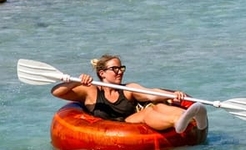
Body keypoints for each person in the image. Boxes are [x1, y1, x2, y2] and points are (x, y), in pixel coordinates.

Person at [51, 54, 208, 133]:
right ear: (102, 73)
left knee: (152, 108)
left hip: (130, 119)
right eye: (115, 69)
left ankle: (186, 118)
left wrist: (173, 95)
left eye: (121, 68)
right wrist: (76, 81)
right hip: (114, 129)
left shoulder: (128, 89)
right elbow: (56, 92)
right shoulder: (90, 91)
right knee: (149, 113)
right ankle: (180, 121)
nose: (120, 72)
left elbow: (150, 94)